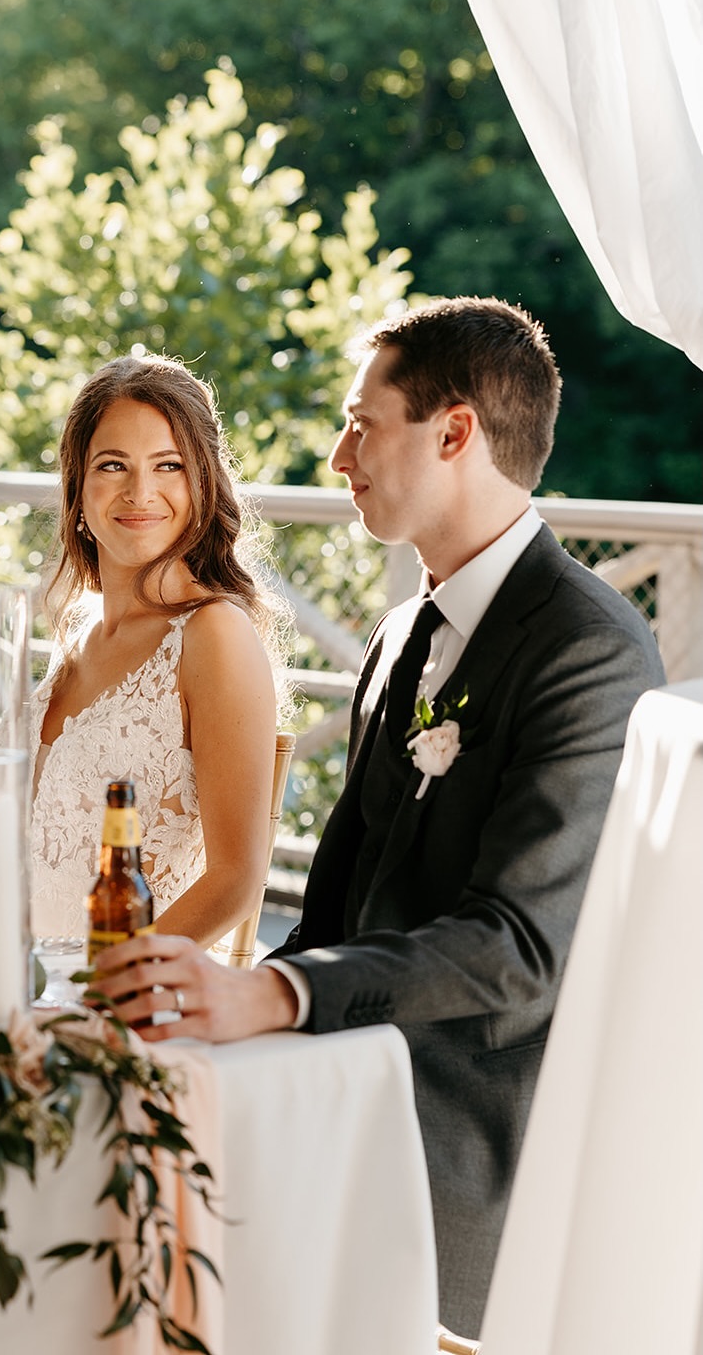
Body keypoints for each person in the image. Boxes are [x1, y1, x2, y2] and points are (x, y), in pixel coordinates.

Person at [91, 297, 666, 1337]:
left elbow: (516, 951)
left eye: (363, 422)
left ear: (452, 434)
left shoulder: (588, 648)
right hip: (329, 1087)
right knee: (106, 1127)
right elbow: (331, 918)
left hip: (455, 1144)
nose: (337, 451)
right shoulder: (404, 628)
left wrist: (271, 997)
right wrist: (212, 1005)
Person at [29, 353, 288, 986]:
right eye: (112, 466)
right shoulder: (79, 634)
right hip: (11, 985)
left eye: (168, 466)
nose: (140, 493)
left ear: (201, 486)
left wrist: (105, 989)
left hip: (119, 1007)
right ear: (78, 491)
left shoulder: (214, 635)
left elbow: (236, 879)